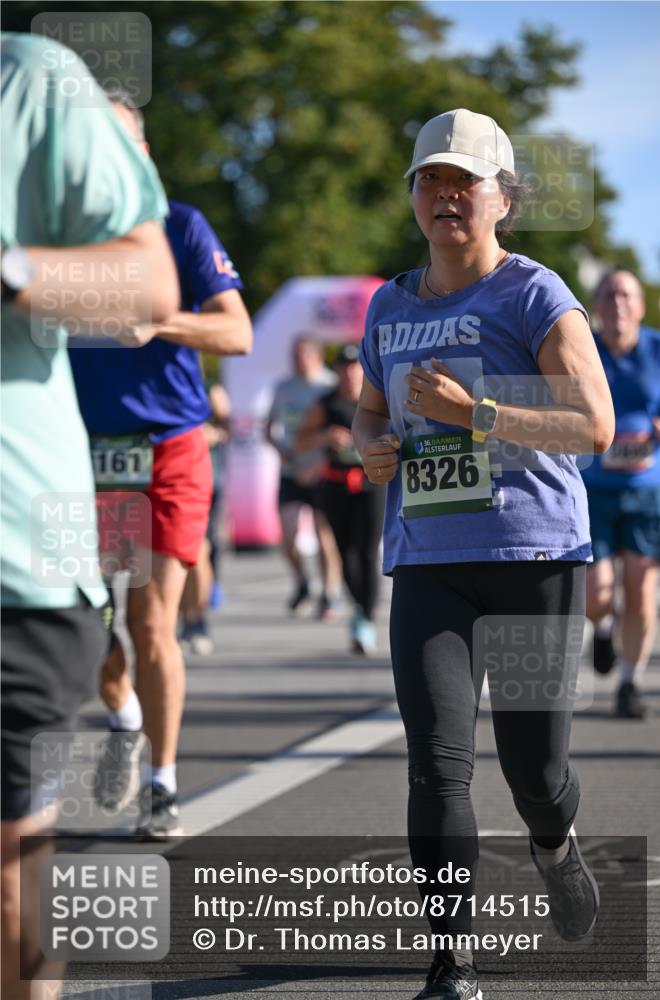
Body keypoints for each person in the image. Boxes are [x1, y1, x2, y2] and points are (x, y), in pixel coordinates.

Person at [351, 109, 615, 999]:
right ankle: (451, 960)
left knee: (533, 772)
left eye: (465, 180)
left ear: (504, 197)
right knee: (437, 762)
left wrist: (478, 414)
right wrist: (368, 445)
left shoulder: (535, 295)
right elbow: (368, 409)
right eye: (430, 179)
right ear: (414, 199)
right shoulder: (388, 305)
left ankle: (553, 842)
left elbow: (593, 425)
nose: (446, 194)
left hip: (535, 554)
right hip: (428, 558)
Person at [1, 33, 179, 1000]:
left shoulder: (28, 79)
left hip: (19, 551)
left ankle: (153, 762)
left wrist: (12, 267)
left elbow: (150, 289)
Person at [68, 88, 252, 838]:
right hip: (81, 458)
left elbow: (236, 334)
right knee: (82, 628)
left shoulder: (180, 227)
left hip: (167, 450)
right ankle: (121, 722)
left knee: (150, 622)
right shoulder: (59, 244)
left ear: (140, 153)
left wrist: (159, 322)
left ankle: (163, 782)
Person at [583, 268, 660, 719]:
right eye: (609, 294)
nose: (618, 302)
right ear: (596, 305)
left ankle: (630, 682)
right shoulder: (582, 350)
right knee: (596, 593)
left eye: (627, 295)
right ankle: (602, 627)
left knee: (639, 590)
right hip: (591, 488)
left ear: (641, 305)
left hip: (648, 489)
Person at [296, 343, 385, 653]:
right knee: (345, 554)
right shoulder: (326, 403)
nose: (350, 373)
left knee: (367, 553)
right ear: (336, 371)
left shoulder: (377, 401)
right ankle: (358, 609)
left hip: (372, 486)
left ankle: (366, 618)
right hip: (336, 486)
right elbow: (300, 439)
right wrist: (325, 436)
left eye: (355, 367)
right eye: (344, 368)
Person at [266, 334, 342, 619]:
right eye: (294, 355)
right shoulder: (283, 388)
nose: (298, 360)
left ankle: (330, 594)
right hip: (292, 468)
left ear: (316, 356)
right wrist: (279, 449)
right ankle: (302, 581)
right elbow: (268, 427)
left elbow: (341, 430)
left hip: (323, 469)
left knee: (325, 535)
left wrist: (323, 459)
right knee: (288, 534)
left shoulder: (328, 385)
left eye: (303, 354)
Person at [180, 382, 232, 655]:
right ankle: (182, 617)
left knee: (201, 549)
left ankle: (197, 620)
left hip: (204, 479)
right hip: (166, 477)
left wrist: (214, 433)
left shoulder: (211, 390)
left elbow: (228, 429)